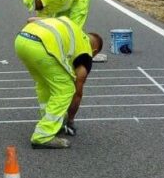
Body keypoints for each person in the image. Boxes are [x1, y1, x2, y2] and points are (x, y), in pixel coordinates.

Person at [14, 16, 103, 149]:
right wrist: (71, 119)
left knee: (45, 84)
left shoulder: (70, 26)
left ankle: (51, 122)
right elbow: (77, 93)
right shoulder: (85, 52)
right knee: (66, 89)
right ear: (94, 51)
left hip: (22, 40)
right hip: (42, 48)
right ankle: (43, 136)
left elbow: (30, 19)